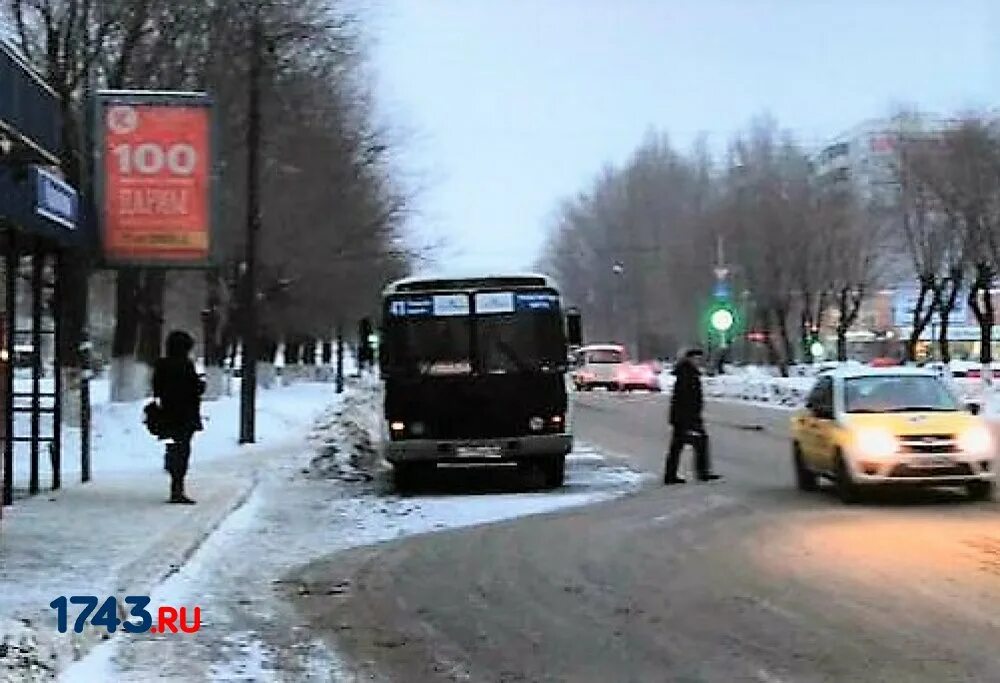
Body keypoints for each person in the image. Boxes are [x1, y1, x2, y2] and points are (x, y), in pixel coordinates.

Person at [153, 330, 205, 504]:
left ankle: (173, 474)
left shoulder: (161, 364)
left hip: (167, 413)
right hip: (185, 415)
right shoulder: (186, 364)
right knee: (183, 450)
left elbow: (156, 388)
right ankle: (177, 488)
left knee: (174, 447)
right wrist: (200, 384)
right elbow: (194, 389)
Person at [664, 347, 722, 485]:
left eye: (699, 359)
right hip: (686, 417)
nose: (698, 361)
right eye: (696, 358)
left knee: (682, 445)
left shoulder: (688, 372)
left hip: (685, 416)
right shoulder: (687, 374)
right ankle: (699, 473)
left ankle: (674, 474)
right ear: (690, 359)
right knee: (695, 443)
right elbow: (685, 398)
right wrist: (690, 418)